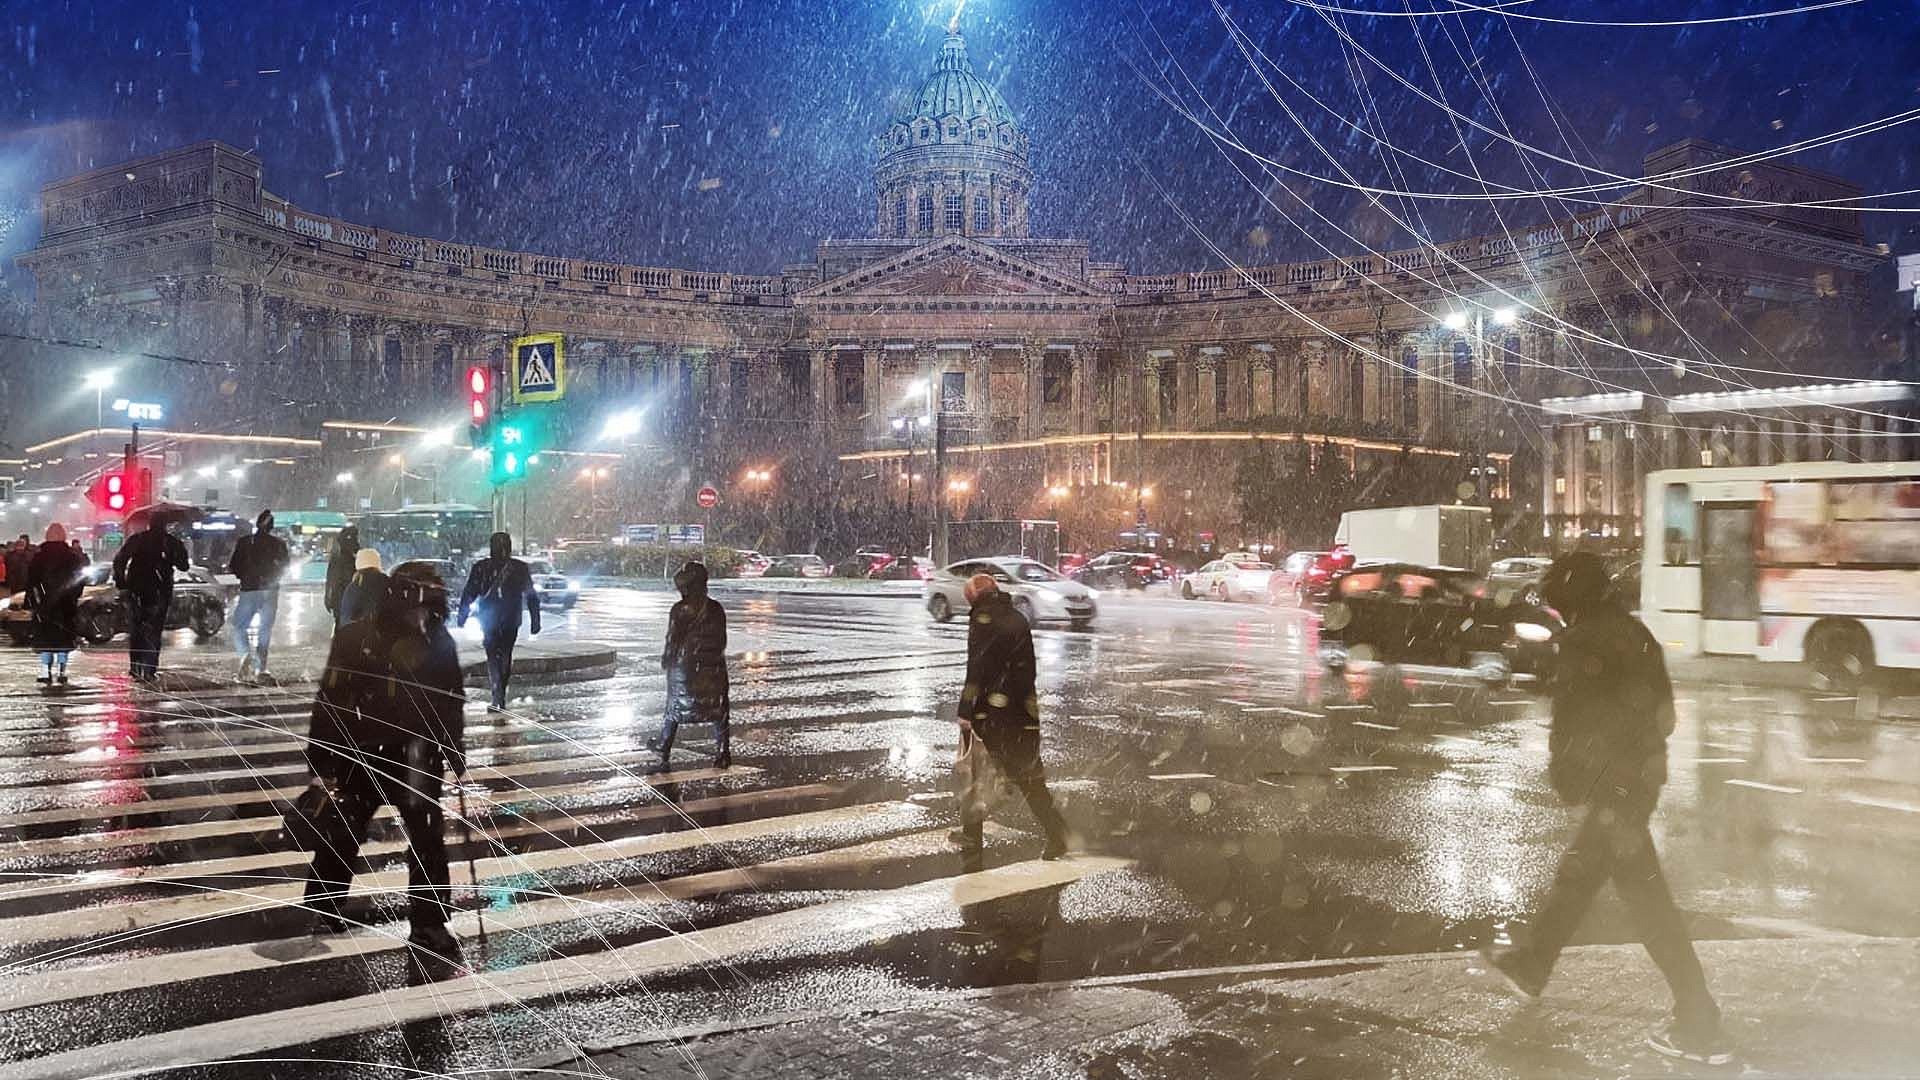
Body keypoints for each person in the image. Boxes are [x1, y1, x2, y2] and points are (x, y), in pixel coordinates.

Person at [1479, 551, 1729, 1066]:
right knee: (1585, 876)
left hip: (1614, 788)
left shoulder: (1582, 642)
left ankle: (1699, 1020)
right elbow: (1664, 714)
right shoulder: (1636, 634)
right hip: (1637, 782)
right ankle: (1533, 963)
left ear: (1571, 599)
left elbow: (1569, 724)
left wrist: (1571, 781)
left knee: (1647, 903)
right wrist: (1639, 759)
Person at [303, 561, 467, 966]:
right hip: (364, 752)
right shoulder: (357, 638)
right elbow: (331, 700)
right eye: (421, 602)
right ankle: (325, 904)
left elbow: (451, 698)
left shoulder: (438, 641)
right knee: (346, 828)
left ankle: (429, 921)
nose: (425, 613)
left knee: (426, 839)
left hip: (417, 755)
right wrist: (323, 758)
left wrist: (453, 748)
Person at [953, 573, 1068, 861]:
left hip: (992, 714)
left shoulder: (982, 620)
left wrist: (966, 711)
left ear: (975, 597)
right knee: (1030, 777)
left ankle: (972, 837)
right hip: (1022, 711)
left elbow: (976, 669)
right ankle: (1056, 832)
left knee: (976, 772)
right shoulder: (1017, 617)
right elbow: (1026, 668)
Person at [652, 560, 731, 769]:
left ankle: (664, 744)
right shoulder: (716, 608)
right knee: (719, 707)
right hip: (713, 666)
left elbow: (673, 639)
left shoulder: (680, 610)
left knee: (675, 705)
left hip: (685, 666)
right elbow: (722, 639)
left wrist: (668, 658)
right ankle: (723, 751)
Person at [457, 532, 540, 711]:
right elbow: (531, 595)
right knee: (506, 654)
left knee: (492, 655)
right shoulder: (519, 568)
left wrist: (462, 615)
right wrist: (535, 619)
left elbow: (469, 592)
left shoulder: (481, 567)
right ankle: (500, 690)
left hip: (489, 618)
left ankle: (497, 693)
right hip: (511, 618)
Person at [111, 514, 189, 683]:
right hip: (160, 590)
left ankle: (136, 667)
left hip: (136, 588)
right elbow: (184, 565)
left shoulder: (137, 539)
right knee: (154, 630)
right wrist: (172, 555)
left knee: (137, 629)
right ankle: (150, 668)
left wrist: (122, 582)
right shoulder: (171, 543)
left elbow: (120, 560)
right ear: (166, 525)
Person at [228, 509, 291, 682]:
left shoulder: (245, 542)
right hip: (270, 590)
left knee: (240, 625)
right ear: (272, 526)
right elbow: (285, 566)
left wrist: (245, 576)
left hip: (250, 589)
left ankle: (245, 655)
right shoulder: (279, 544)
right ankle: (261, 667)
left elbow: (233, 565)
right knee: (265, 629)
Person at [27, 524, 88, 686]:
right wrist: (73, 596)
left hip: (45, 604)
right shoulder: (72, 557)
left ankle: (46, 671)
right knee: (63, 639)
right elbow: (79, 580)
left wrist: (34, 600)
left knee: (45, 638)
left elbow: (31, 581)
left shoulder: (38, 558)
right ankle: (62, 671)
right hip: (65, 604)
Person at [337, 547, 387, 625]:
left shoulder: (354, 587)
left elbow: (346, 618)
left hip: (357, 633)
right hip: (384, 632)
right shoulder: (388, 583)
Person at [323, 525, 361, 627]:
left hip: (339, 601)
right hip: (347, 601)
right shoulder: (353, 560)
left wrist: (328, 597)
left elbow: (330, 580)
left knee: (341, 628)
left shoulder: (337, 558)